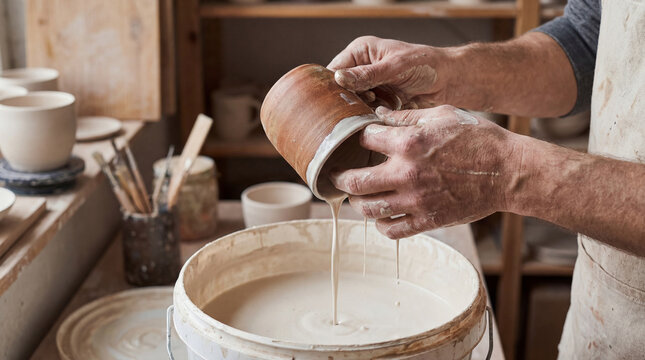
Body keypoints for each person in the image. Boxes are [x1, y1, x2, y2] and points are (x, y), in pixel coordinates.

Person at [328, 0, 644, 358]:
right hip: (603, 313)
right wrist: (446, 70)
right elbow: (588, 40)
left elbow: (506, 170)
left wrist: (507, 172)